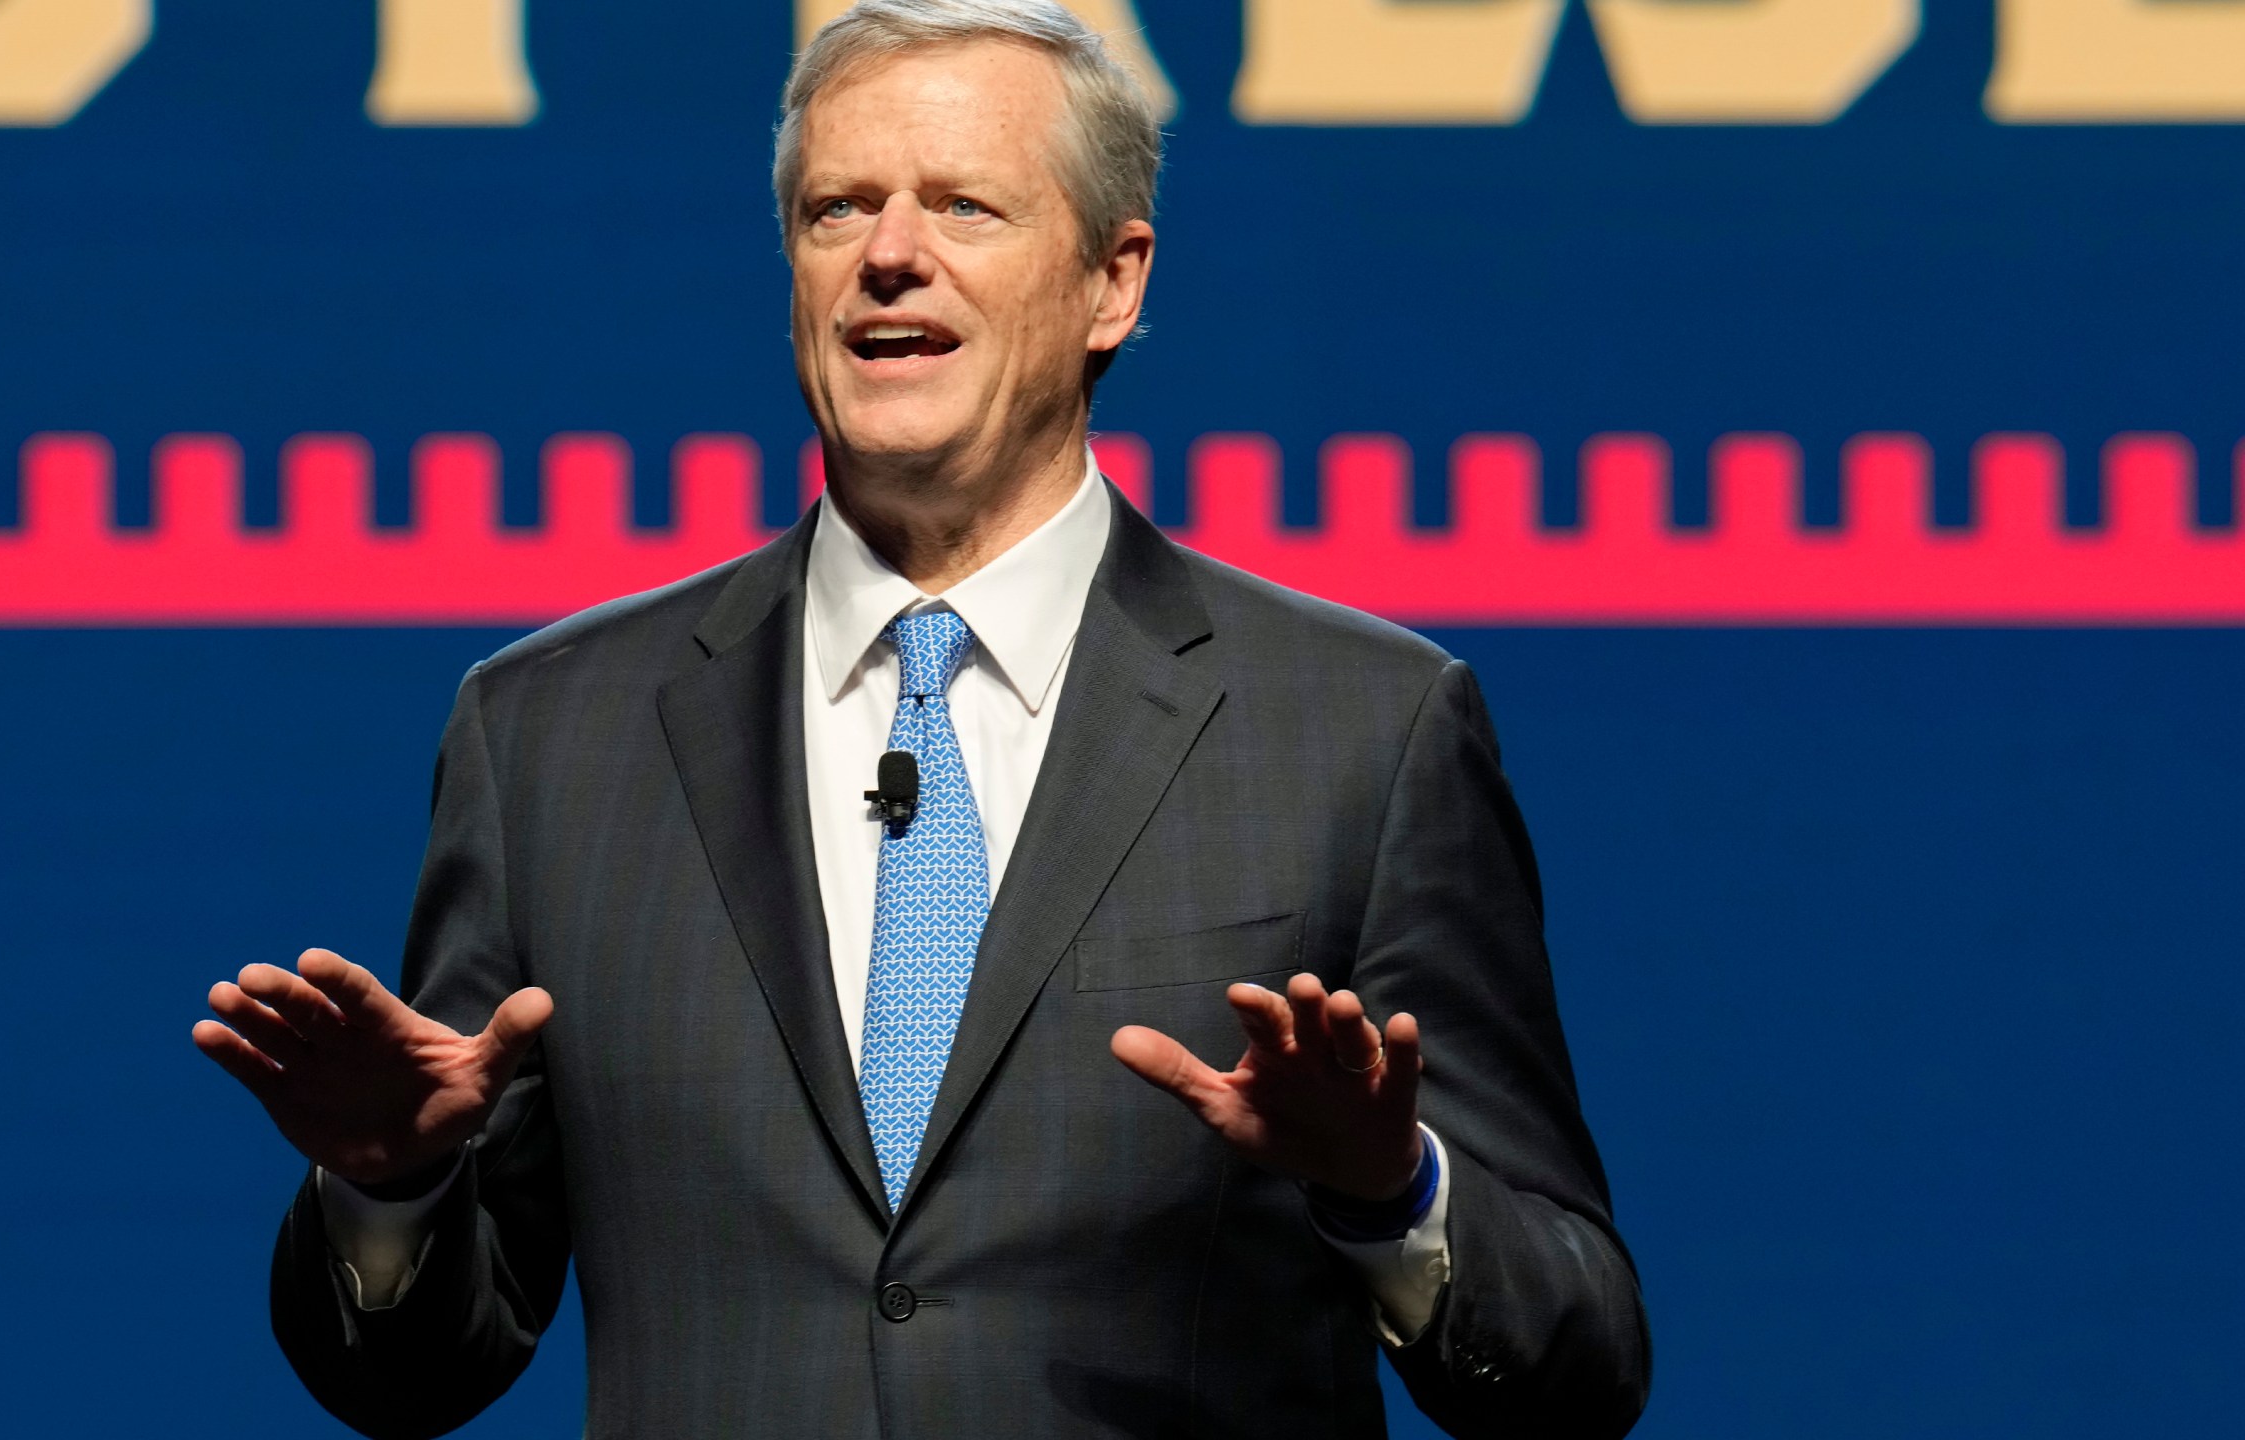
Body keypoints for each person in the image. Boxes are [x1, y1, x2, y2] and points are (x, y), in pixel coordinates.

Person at [192, 3, 1648, 1435]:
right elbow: (416, 1373)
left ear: (1113, 284)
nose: (892, 254)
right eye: (839, 209)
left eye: (964, 203)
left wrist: (1391, 1196)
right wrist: (387, 1186)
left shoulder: (1363, 730)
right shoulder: (552, 735)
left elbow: (1578, 1362)